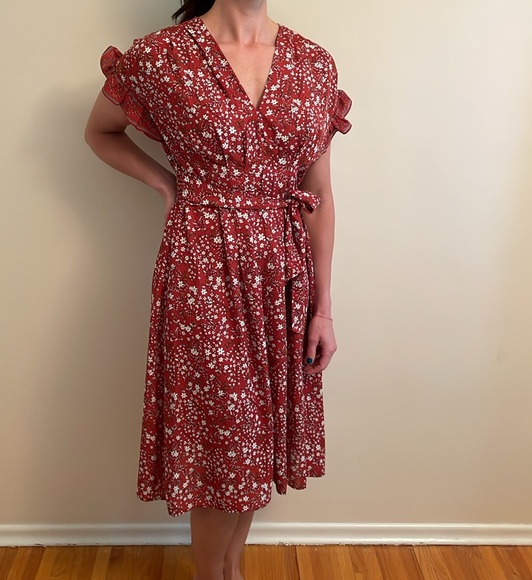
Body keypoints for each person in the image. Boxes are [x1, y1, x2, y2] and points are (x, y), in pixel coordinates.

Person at [85, 0, 351, 578]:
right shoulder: (161, 57)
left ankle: (232, 569)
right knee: (223, 444)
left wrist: (323, 309)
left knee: (256, 441)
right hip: (201, 274)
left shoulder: (313, 64)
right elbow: (100, 131)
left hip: (282, 277)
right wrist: (165, 184)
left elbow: (321, 194)